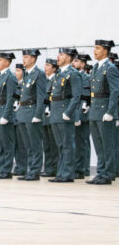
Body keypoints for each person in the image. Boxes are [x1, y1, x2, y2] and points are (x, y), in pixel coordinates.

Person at [87, 40, 119, 185]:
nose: (95, 51)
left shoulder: (110, 68)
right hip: (95, 110)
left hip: (105, 110)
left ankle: (108, 173)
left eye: (98, 48)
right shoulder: (95, 67)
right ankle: (100, 172)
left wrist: (111, 111)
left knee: (108, 145)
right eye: (94, 48)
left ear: (105, 51)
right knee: (99, 145)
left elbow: (115, 91)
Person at [48, 48, 83, 183]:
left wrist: (68, 112)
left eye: (61, 54)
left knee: (68, 144)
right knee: (60, 145)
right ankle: (61, 172)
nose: (58, 57)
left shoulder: (73, 74)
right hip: (56, 111)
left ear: (69, 58)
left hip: (64, 112)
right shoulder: (58, 73)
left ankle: (68, 173)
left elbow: (76, 96)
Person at [15, 49, 46, 181]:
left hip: (32, 111)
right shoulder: (27, 74)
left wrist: (38, 114)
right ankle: (30, 169)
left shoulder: (38, 74)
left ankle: (35, 171)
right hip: (23, 112)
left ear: (33, 59)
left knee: (35, 144)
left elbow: (41, 96)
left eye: (26, 57)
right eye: (24, 57)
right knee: (27, 145)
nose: (24, 59)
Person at [0, 52, 18, 179]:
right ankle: (1, 168)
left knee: (7, 144)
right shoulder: (0, 76)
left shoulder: (10, 77)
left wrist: (6, 115)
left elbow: (11, 98)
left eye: (0, 60)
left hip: (3, 113)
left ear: (7, 62)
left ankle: (6, 170)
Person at [72, 53, 91, 179]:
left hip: (82, 115)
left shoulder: (85, 78)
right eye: (73, 61)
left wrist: (78, 115)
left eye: (77, 61)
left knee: (81, 142)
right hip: (74, 114)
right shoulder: (75, 76)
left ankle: (82, 169)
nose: (74, 63)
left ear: (83, 64)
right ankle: (79, 167)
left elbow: (84, 98)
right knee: (77, 142)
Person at [41, 58, 60, 177]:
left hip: (53, 114)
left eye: (48, 65)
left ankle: (55, 168)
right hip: (45, 116)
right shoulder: (45, 80)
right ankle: (48, 168)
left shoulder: (56, 79)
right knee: (46, 144)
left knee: (53, 145)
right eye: (45, 65)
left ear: (54, 68)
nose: (45, 67)